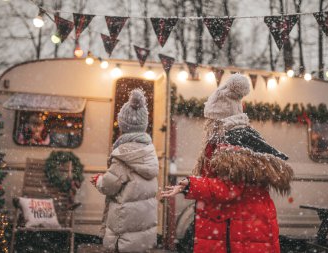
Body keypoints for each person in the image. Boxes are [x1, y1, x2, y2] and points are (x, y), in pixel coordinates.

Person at [162, 74, 293, 253]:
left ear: (220, 120)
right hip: (245, 226)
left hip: (240, 229)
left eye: (211, 120)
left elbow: (230, 189)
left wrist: (191, 185)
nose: (207, 125)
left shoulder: (230, 142)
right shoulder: (241, 138)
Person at [91, 89, 158, 253]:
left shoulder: (124, 155)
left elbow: (109, 186)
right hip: (143, 227)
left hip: (123, 230)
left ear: (122, 126)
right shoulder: (149, 152)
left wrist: (98, 180)